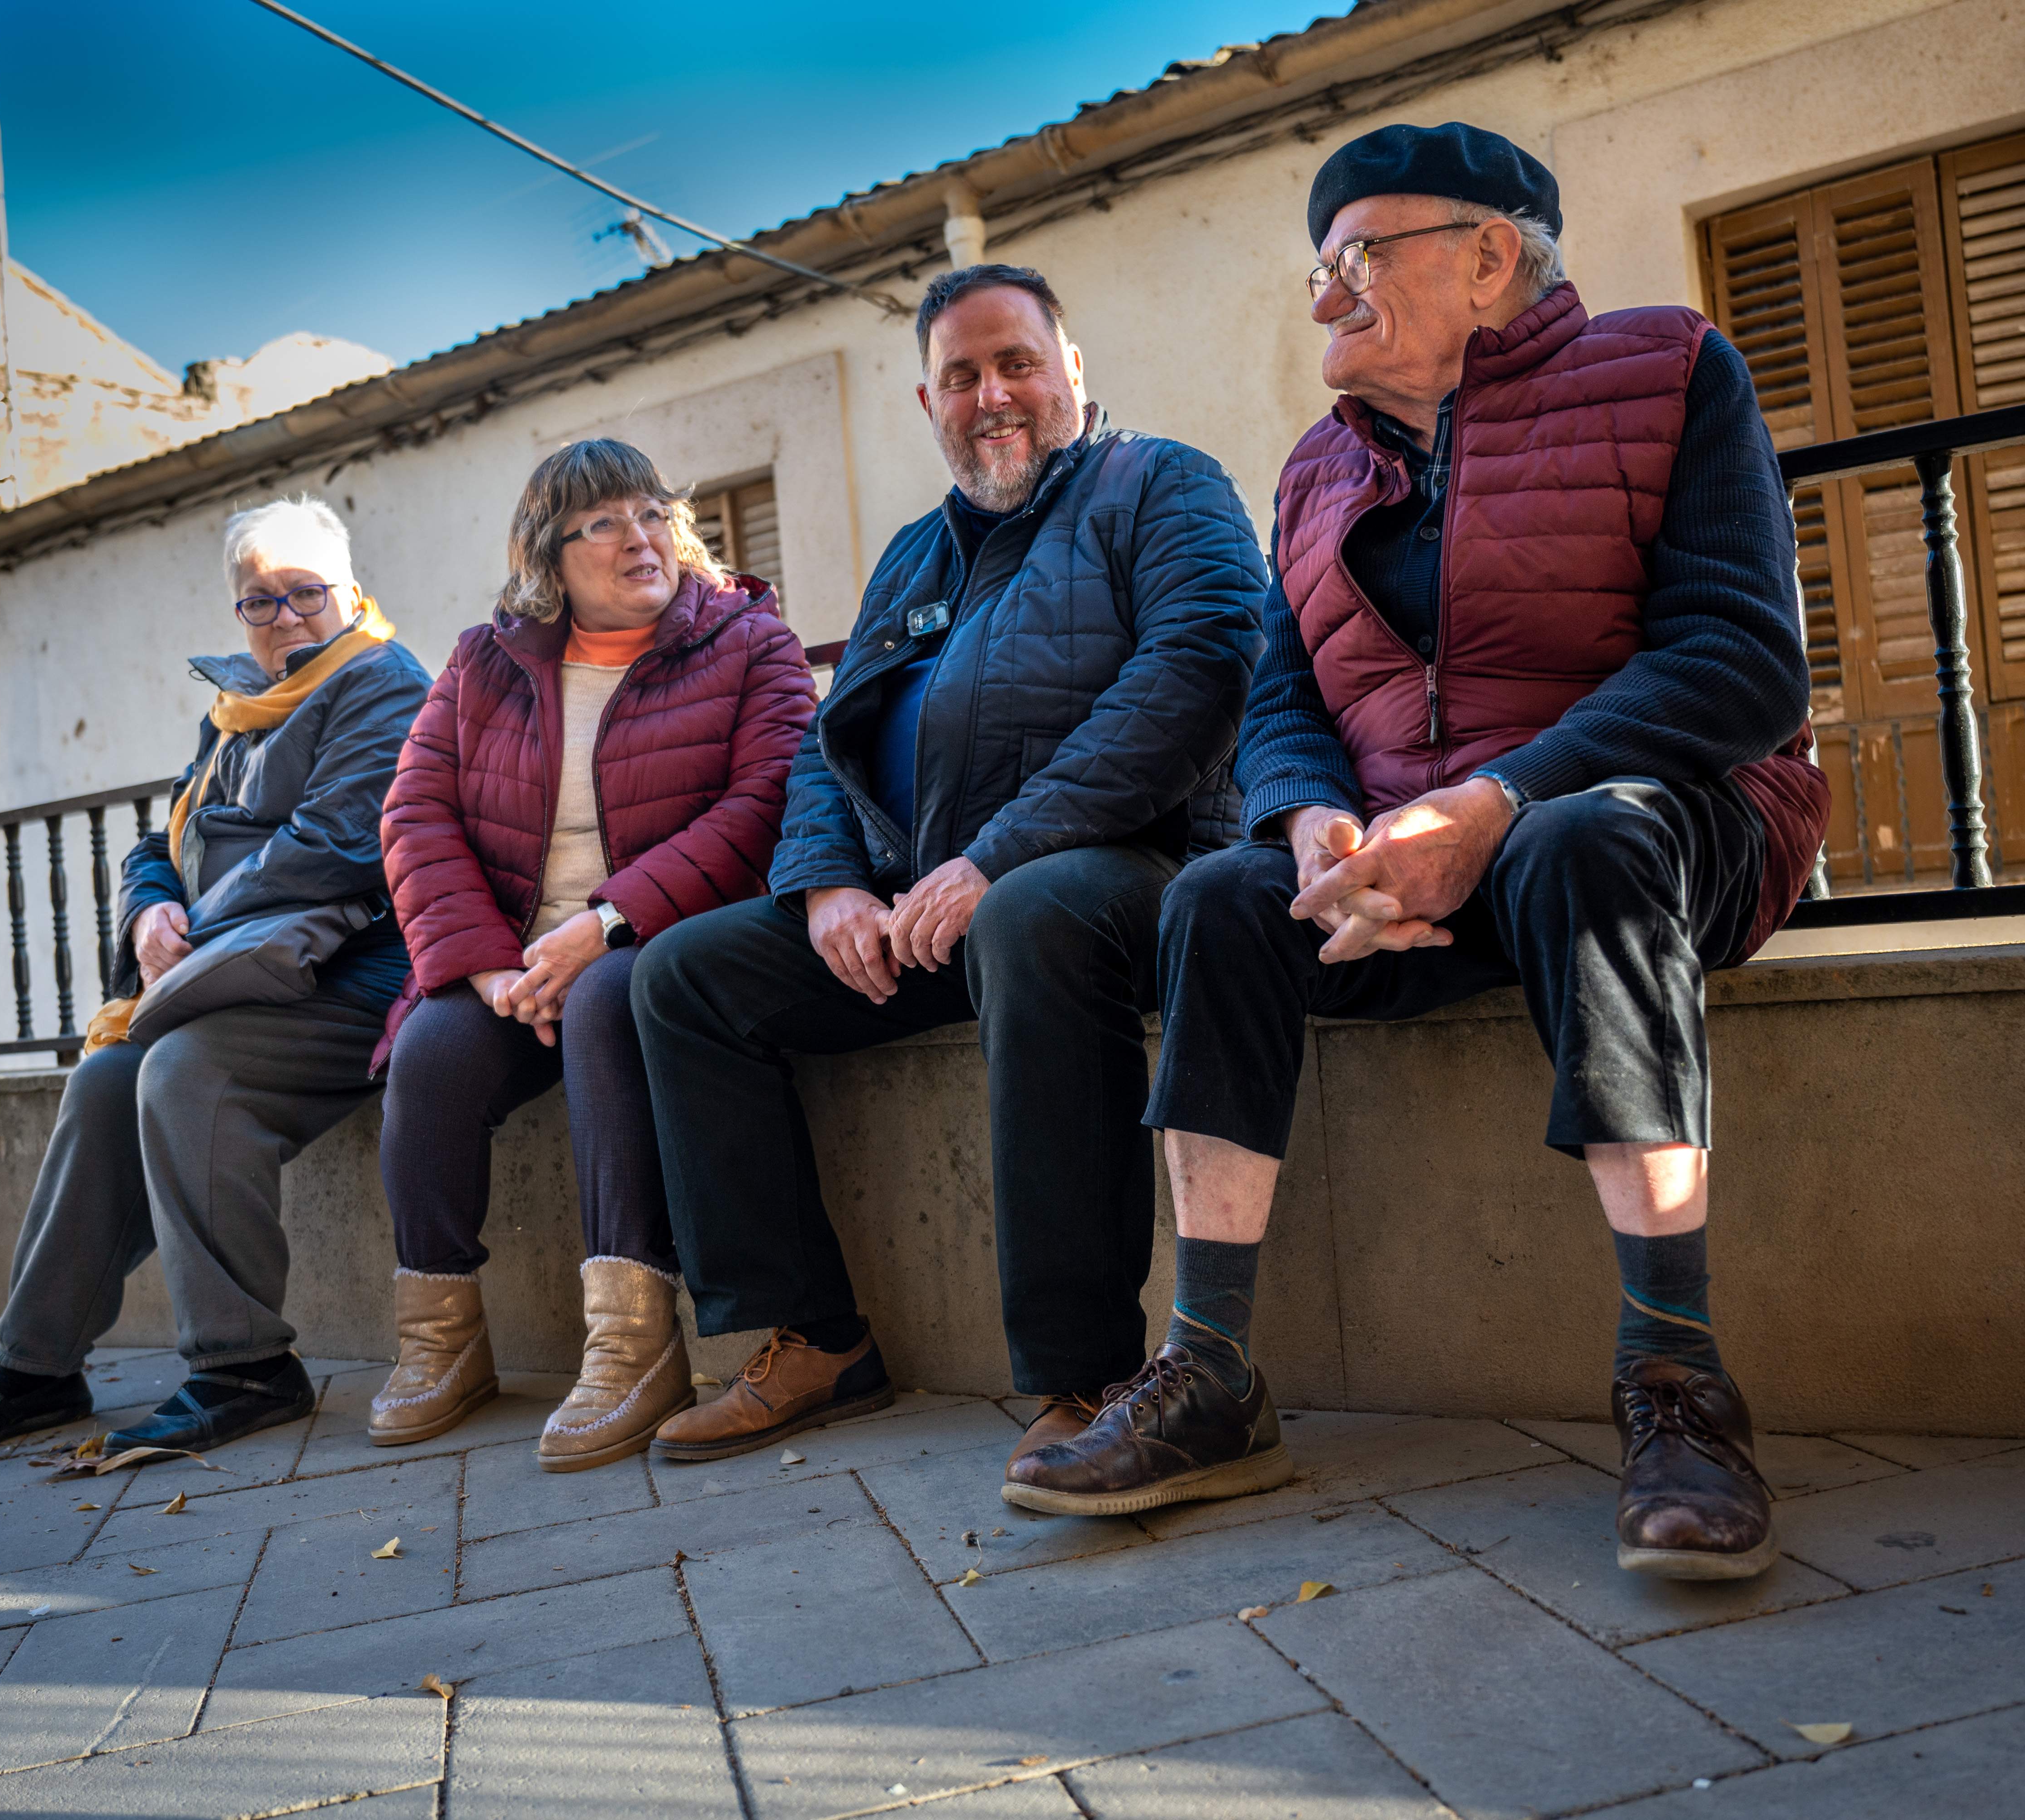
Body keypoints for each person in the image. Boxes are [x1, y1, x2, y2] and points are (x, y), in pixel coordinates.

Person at [1006, 123, 1831, 1583]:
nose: (1318, 297)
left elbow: (1744, 661)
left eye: (1348, 261)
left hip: (1642, 819)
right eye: (1314, 271)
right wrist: (1311, 817)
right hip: (1412, 850)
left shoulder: (1669, 371)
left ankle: (1677, 1379)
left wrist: (1494, 804)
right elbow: (1280, 698)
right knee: (1213, 897)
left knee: (1586, 839)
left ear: (1487, 256)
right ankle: (1206, 1371)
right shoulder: (1311, 475)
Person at [632, 264, 1265, 1469]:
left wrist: (993, 855)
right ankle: (818, 1341)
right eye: (961, 376)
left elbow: (1196, 672)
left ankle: (1087, 1379)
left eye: (1017, 362)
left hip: (1131, 874)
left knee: (1033, 916)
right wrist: (827, 888)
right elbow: (831, 742)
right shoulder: (916, 556)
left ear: (1071, 370)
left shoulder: (1162, 484)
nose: (993, 395)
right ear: (929, 404)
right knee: (684, 977)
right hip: (931, 905)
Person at [0, 496, 431, 1464]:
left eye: (306, 592)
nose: (286, 617)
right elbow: (160, 838)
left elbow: (337, 847)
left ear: (349, 592)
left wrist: (197, 927)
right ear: (238, 614)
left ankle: (246, 1366)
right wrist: (150, 914)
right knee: (105, 1079)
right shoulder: (235, 708)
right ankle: (35, 1370)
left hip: (360, 974)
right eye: (259, 602)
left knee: (185, 1068)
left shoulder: (381, 683)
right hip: (245, 969)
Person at [367, 440, 815, 1465]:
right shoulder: (486, 661)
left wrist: (604, 924)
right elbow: (415, 812)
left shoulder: (750, 640)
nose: (640, 537)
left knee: (614, 999)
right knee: (432, 1053)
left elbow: (761, 806)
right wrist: (486, 967)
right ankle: (439, 1341)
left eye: (653, 512)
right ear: (549, 554)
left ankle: (634, 1345)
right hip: (514, 961)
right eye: (605, 523)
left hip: (651, 941)